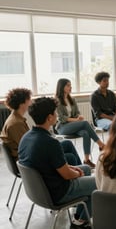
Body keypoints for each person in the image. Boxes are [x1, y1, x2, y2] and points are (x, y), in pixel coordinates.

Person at [18, 97, 96, 228]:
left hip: (39, 191)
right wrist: (77, 174)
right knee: (98, 182)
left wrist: (74, 169)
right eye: (55, 113)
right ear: (49, 117)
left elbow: (51, 164)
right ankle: (81, 222)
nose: (56, 115)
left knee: (86, 170)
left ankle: (78, 215)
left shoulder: (26, 137)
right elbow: (67, 175)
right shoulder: (50, 142)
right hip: (57, 192)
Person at [0, 88, 81, 166]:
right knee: (70, 157)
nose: (31, 102)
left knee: (67, 144)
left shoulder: (17, 118)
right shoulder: (15, 124)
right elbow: (28, 147)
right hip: (28, 160)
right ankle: (79, 175)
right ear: (22, 103)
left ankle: (82, 172)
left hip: (31, 153)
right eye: (29, 99)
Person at [55, 78, 105, 168]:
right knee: (85, 123)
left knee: (85, 133)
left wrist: (79, 116)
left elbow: (77, 112)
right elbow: (62, 118)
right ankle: (101, 145)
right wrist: (76, 120)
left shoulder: (72, 99)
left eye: (70, 85)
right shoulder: (57, 101)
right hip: (63, 127)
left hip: (74, 125)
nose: (70, 87)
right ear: (62, 87)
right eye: (68, 85)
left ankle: (87, 160)